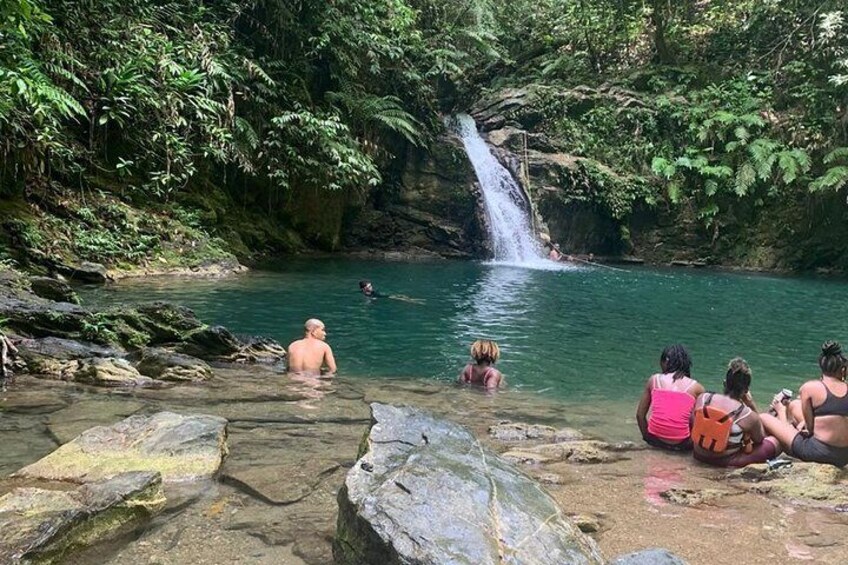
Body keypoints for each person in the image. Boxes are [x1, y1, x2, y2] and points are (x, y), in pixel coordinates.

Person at [761, 340, 848, 467]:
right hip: (845, 456)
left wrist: (780, 410)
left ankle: (773, 433)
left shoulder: (809, 388)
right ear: (842, 368)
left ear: (821, 365)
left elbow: (810, 429)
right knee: (795, 404)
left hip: (819, 453)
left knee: (764, 417)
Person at [691, 358, 779, 467]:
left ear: (724, 383)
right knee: (775, 442)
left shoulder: (703, 398)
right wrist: (751, 405)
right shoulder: (747, 415)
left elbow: (693, 424)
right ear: (746, 391)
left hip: (698, 455)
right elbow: (760, 439)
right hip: (724, 461)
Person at [636, 344, 705, 451]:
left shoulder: (654, 380)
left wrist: (648, 438)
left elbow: (640, 415)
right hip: (683, 444)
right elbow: (701, 423)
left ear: (665, 361)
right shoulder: (696, 388)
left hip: (655, 440)